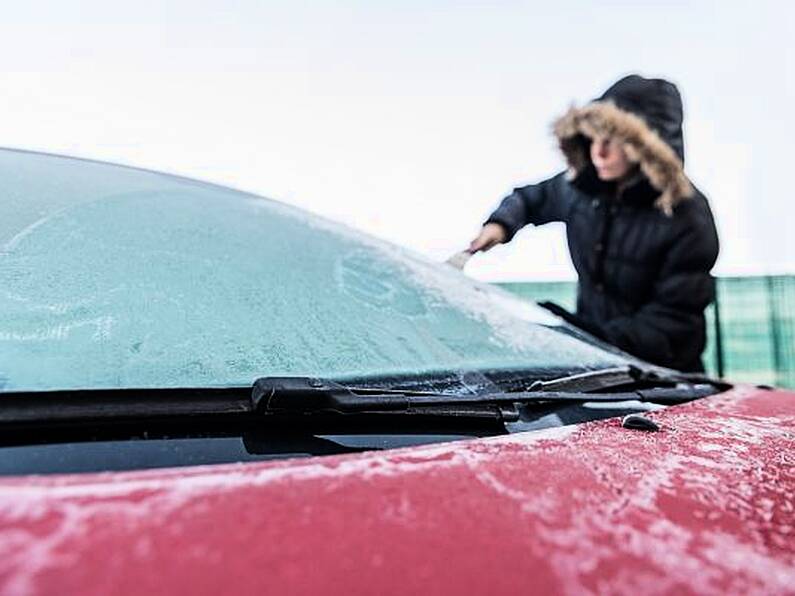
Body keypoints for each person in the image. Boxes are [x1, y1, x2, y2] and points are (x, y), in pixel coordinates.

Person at [470, 74, 719, 372]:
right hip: (595, 368)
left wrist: (576, 336)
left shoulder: (687, 216)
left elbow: (669, 325)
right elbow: (530, 198)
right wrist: (500, 224)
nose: (598, 152)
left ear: (647, 148)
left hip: (664, 379)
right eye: (593, 138)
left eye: (613, 141)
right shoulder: (581, 190)